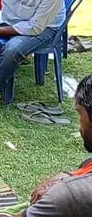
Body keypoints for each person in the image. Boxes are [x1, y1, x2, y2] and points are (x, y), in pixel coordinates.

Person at [15, 74, 92, 216]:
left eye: (80, 113)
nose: (79, 125)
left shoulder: (72, 194)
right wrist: (70, 175)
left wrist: (65, 188)